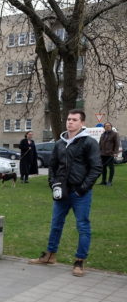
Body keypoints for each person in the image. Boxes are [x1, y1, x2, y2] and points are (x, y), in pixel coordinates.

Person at [29, 109, 102, 277]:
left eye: (74, 120)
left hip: (80, 193)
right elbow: (53, 166)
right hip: (62, 192)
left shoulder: (89, 142)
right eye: (69, 119)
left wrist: (83, 188)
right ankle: (50, 255)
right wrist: (53, 184)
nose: (70, 122)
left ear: (82, 123)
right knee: (56, 224)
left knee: (83, 226)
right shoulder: (60, 143)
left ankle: (79, 261)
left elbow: (96, 167)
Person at [99, 122, 119, 186]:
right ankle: (103, 181)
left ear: (111, 126)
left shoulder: (115, 134)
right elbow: (100, 144)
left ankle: (109, 181)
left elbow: (117, 144)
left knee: (111, 168)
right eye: (106, 126)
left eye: (109, 125)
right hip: (102, 154)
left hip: (110, 154)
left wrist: (115, 152)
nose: (107, 127)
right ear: (104, 127)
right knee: (103, 168)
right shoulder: (102, 134)